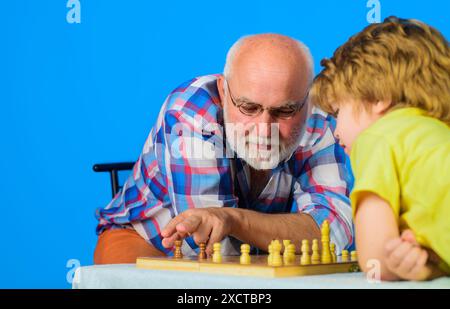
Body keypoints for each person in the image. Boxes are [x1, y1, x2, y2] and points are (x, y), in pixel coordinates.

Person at [94, 34, 354, 264]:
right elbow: (211, 244)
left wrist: (235, 220)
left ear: (307, 101)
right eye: (249, 108)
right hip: (146, 245)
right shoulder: (191, 111)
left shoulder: (318, 119)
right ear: (222, 89)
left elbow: (335, 230)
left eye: (284, 111)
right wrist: (273, 230)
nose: (265, 131)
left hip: (256, 256)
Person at [311, 16, 450, 281]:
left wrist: (387, 263)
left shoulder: (378, 137)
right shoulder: (435, 136)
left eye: (338, 111)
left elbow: (375, 262)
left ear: (377, 99)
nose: (336, 131)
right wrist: (428, 264)